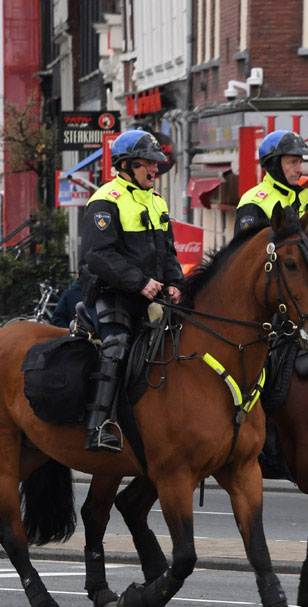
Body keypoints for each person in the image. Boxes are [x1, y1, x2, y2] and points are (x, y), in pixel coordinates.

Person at [79, 128, 182, 452]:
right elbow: (97, 255)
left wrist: (175, 282)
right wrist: (139, 282)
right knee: (117, 345)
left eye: (155, 163)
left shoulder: (156, 201)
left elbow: (168, 251)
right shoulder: (105, 200)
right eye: (147, 164)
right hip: (115, 292)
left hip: (151, 294)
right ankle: (97, 427)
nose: (155, 169)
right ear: (126, 165)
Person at [235, 130, 308, 233]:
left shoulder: (306, 201)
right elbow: (246, 248)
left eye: (300, 162)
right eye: (293, 162)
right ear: (274, 164)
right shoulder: (254, 202)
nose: (300, 170)